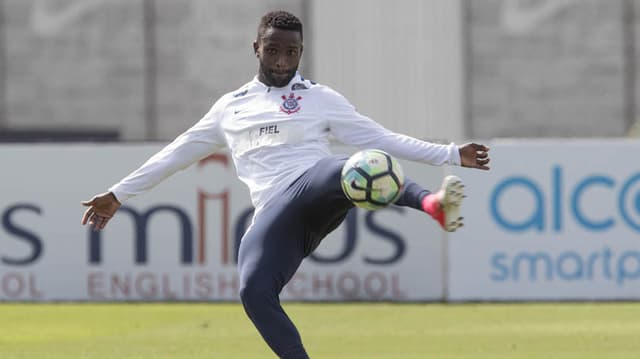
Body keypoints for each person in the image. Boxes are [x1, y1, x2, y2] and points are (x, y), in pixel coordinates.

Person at [81, 10, 490, 359]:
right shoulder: (230, 107)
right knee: (253, 292)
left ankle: (432, 204)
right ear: (256, 48)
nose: (282, 60)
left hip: (317, 185)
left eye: (291, 52)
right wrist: (119, 194)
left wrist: (451, 154)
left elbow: (381, 138)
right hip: (277, 214)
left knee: (353, 167)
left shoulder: (320, 97)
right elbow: (175, 154)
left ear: (301, 52)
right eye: (273, 50)